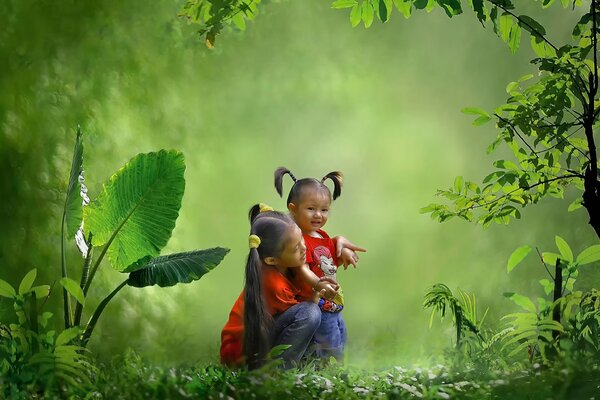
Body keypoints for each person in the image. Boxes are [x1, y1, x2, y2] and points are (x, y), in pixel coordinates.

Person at [220, 204, 338, 369]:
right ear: (271, 260)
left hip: (258, 337)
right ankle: (279, 371)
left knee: (319, 314)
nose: (304, 248)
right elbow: (300, 319)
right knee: (310, 313)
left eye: (302, 240)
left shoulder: (285, 264)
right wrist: (316, 296)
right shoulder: (274, 283)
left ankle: (308, 362)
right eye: (296, 247)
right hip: (243, 352)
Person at [274, 167, 366, 362]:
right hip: (314, 301)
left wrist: (345, 253)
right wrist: (318, 284)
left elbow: (327, 263)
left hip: (333, 302)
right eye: (311, 209)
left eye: (324, 210)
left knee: (340, 333)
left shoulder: (323, 236)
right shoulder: (297, 240)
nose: (318, 215)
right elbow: (302, 269)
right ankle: (331, 368)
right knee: (330, 342)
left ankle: (328, 362)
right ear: (293, 209)